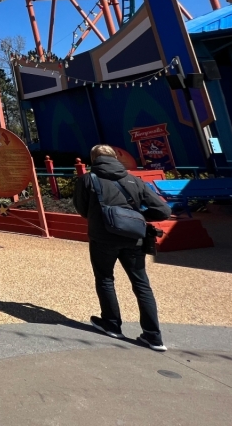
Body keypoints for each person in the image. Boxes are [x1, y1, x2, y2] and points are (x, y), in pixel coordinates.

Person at [73, 144, 172, 351]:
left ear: (93, 159)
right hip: (133, 238)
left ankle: (111, 323)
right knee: (141, 283)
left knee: (105, 279)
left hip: (102, 238)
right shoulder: (133, 179)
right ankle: (154, 336)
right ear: (115, 158)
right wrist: (136, 217)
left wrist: (105, 216)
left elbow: (82, 209)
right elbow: (163, 210)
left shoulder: (88, 179)